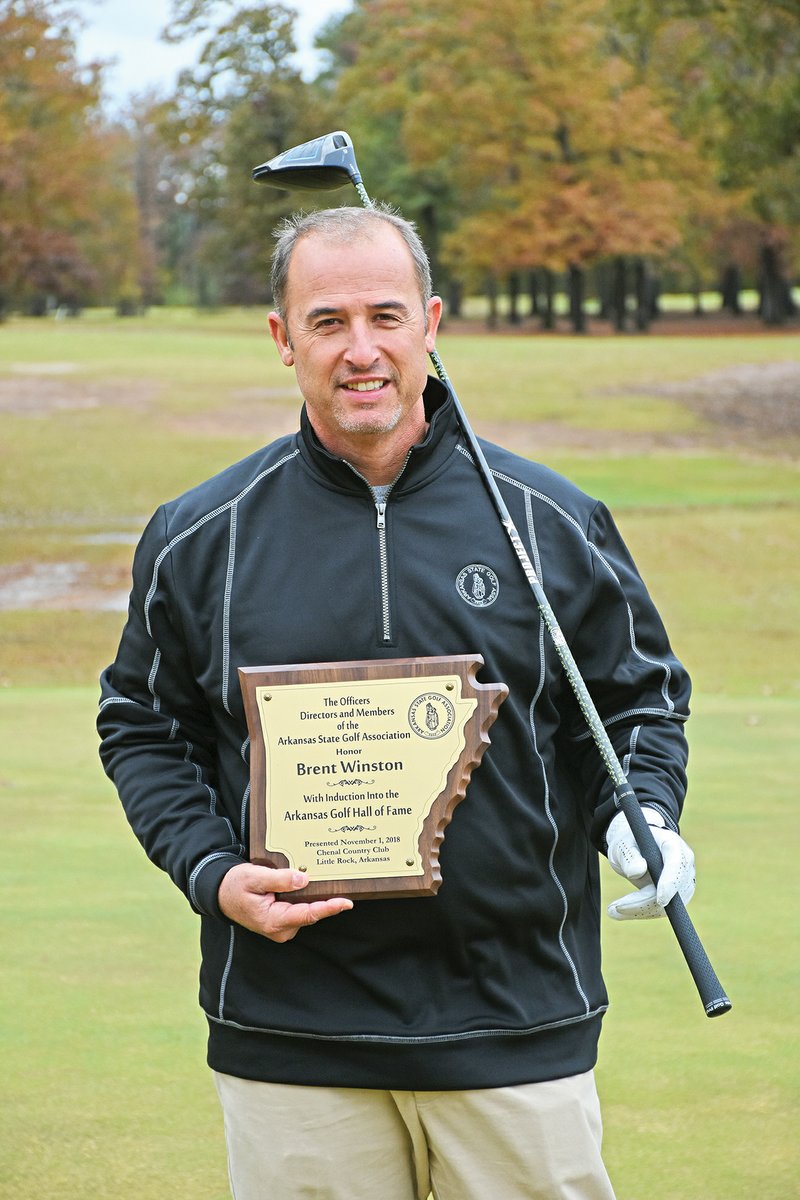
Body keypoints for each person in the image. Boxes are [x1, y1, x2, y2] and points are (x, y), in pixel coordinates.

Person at [98, 204, 696, 1200]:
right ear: (282, 338)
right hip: (293, 1034)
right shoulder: (202, 535)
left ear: (430, 322)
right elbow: (144, 725)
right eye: (327, 321)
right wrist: (209, 870)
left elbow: (633, 700)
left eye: (384, 315)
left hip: (516, 1020)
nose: (360, 349)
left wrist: (640, 815)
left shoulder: (546, 520)